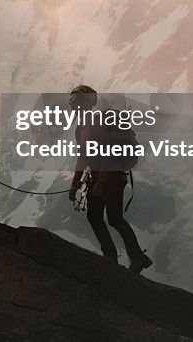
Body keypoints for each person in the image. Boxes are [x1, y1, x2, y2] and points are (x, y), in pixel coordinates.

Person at [68, 84, 153, 273]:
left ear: (86, 102)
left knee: (99, 216)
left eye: (75, 100)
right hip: (110, 176)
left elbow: (107, 151)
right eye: (72, 100)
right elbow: (85, 156)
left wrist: (99, 182)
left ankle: (112, 257)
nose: (72, 104)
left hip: (107, 176)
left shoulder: (90, 124)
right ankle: (135, 257)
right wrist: (76, 184)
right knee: (113, 218)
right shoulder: (84, 126)